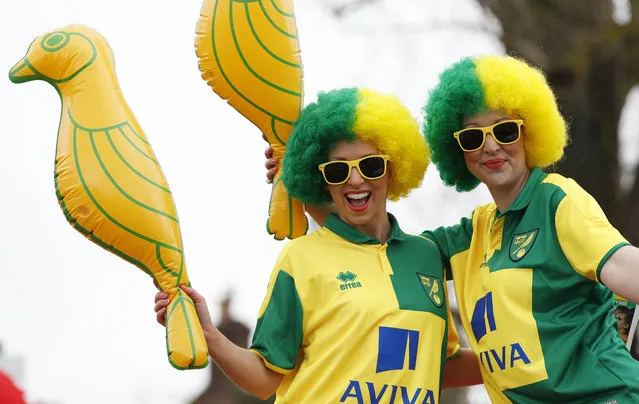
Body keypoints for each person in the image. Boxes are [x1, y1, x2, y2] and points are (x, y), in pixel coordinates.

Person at [266, 56, 639, 403]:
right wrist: (302, 184)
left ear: (529, 133)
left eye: (505, 130)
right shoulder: (470, 235)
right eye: (473, 137)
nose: (491, 145)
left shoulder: (558, 201)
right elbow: (371, 246)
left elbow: (625, 268)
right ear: (459, 150)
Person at [155, 87, 481, 403]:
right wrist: (209, 334)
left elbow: (440, 364)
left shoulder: (424, 256)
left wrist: (524, 358)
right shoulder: (301, 258)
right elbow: (263, 379)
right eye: (338, 170)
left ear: (393, 168)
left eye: (370, 166)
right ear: (322, 179)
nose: (355, 180)